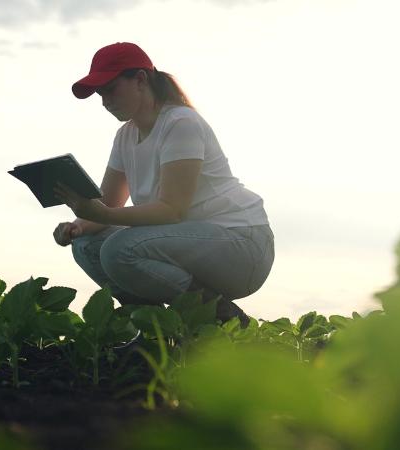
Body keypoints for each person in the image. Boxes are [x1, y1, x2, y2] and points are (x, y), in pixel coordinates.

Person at [52, 42, 274, 326]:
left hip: (242, 245)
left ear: (141, 80)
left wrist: (102, 214)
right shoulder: (125, 136)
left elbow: (172, 210)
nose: (105, 100)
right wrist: (78, 226)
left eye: (110, 89)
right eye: (99, 93)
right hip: (189, 243)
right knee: (86, 244)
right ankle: (153, 331)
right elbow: (109, 203)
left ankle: (224, 320)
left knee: (118, 248)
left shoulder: (181, 123)